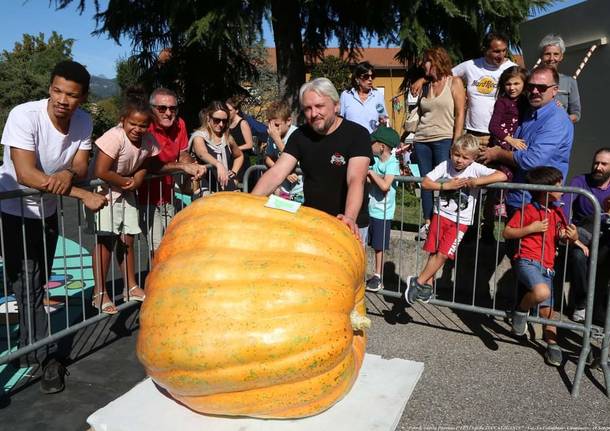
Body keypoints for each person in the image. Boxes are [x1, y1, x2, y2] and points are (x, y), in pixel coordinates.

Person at [0, 60, 107, 393]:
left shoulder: (84, 120)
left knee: (39, 281)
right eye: (57, 91)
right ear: (50, 88)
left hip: (46, 212)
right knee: (27, 284)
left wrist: (68, 175)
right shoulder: (24, 115)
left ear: (83, 97)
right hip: (12, 210)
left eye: (72, 95)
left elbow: (80, 162)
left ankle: (30, 347)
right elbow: (25, 174)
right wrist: (82, 194)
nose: (63, 99)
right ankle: (44, 356)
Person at [252, 77, 372, 239]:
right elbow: (276, 173)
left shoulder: (357, 134)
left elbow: (356, 179)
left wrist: (349, 217)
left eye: (319, 106)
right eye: (307, 108)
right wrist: (250, 203)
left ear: (336, 105)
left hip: (348, 223)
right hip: (313, 221)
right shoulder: (299, 136)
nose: (314, 114)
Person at [404, 134, 507, 304]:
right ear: (451, 153)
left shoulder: (474, 169)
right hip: (441, 215)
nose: (459, 160)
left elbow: (501, 176)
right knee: (435, 251)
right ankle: (427, 286)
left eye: (465, 157)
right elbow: (426, 183)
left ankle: (418, 282)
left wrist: (478, 182)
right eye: (457, 155)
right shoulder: (445, 165)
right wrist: (446, 185)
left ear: (473, 158)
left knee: (444, 254)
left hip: (461, 222)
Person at [89, 89, 159, 315]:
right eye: (133, 124)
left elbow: (147, 162)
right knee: (106, 241)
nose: (137, 129)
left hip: (126, 191)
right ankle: (100, 293)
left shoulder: (148, 139)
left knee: (127, 238)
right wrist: (125, 181)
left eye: (143, 125)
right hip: (105, 192)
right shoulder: (114, 137)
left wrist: (138, 177)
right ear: (123, 120)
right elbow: (101, 170)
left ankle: (130, 286)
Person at [502, 166, 581, 367]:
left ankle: (552, 344)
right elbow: (507, 232)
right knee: (542, 292)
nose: (562, 188)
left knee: (549, 312)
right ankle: (520, 312)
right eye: (558, 185)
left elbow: (562, 236)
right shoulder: (528, 210)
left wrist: (571, 237)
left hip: (547, 266)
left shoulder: (557, 212)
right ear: (544, 189)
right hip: (527, 261)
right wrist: (531, 228)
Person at [480, 65, 574, 215]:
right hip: (517, 198)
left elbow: (532, 160)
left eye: (542, 87)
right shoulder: (527, 110)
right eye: (531, 86)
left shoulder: (556, 120)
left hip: (537, 206)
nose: (535, 91)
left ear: (555, 90)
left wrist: (498, 154)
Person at [138, 88, 205, 254]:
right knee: (158, 250)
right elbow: (152, 165)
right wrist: (183, 167)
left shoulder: (179, 124)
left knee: (171, 245)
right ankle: (152, 280)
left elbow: (183, 152)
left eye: (172, 108)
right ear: (151, 109)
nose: (168, 113)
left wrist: (191, 166)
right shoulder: (144, 126)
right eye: (162, 108)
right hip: (144, 199)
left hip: (168, 196)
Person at [412, 47, 466, 241]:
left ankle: (444, 223)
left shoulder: (455, 82)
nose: (422, 64)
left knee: (444, 182)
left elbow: (460, 113)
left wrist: (456, 142)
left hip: (444, 139)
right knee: (426, 183)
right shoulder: (425, 85)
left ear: (435, 61)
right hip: (422, 140)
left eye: (425, 61)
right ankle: (427, 223)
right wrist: (423, 80)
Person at [561, 148, 610, 322]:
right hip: (583, 231)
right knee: (577, 255)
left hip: (606, 235)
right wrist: (566, 228)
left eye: (604, 164)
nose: (598, 167)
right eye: (596, 163)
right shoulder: (580, 181)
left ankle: (599, 307)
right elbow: (565, 204)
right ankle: (581, 304)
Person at [451, 32, 517, 142]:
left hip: (501, 135)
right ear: (485, 50)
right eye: (496, 51)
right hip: (473, 133)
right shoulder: (470, 66)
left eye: (504, 50)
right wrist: (422, 80)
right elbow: (444, 77)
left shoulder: (512, 69)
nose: (501, 55)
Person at [365, 126, 401, 292]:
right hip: (370, 208)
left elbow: (385, 185)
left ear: (382, 146)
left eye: (373, 142)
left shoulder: (392, 163)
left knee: (379, 246)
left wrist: (371, 174)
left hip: (383, 212)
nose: (369, 144)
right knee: (367, 242)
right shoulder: (375, 161)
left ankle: (378, 276)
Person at [189, 101, 244, 192]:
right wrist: (218, 164)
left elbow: (239, 156)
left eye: (224, 121)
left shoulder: (227, 138)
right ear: (208, 118)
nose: (221, 124)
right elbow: (202, 153)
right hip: (205, 190)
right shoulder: (199, 137)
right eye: (217, 120)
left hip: (227, 188)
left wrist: (234, 172)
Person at [263, 100, 302, 202]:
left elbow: (295, 159)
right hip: (282, 189)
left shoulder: (297, 135)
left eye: (276, 125)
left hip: (299, 190)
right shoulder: (272, 135)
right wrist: (284, 173)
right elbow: (267, 158)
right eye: (270, 125)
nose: (272, 129)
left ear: (288, 121)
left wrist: (277, 140)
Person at [539, 33, 581, 123]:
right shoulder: (530, 80)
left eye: (556, 54)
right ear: (541, 56)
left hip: (559, 133)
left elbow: (576, 113)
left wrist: (564, 119)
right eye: (547, 54)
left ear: (561, 57)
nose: (551, 58)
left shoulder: (570, 82)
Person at [339, 61, 388, 133]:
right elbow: (339, 119)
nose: (370, 79)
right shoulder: (346, 96)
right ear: (357, 79)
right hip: (351, 141)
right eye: (366, 76)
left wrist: (384, 121)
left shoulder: (377, 96)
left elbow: (384, 119)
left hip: (372, 141)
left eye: (372, 76)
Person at [226, 96, 255, 180]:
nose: (227, 112)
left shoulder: (243, 123)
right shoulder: (227, 124)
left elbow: (250, 144)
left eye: (230, 110)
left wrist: (235, 149)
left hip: (244, 160)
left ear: (237, 110)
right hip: (232, 159)